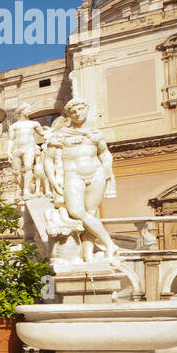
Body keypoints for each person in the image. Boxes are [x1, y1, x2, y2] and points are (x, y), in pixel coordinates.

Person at [43, 99, 117, 262]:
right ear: (69, 115)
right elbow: (47, 160)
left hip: (97, 174)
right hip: (73, 175)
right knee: (76, 211)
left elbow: (104, 154)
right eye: (73, 112)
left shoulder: (95, 134)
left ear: (87, 109)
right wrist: (52, 180)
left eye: (81, 109)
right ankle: (109, 243)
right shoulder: (61, 134)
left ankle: (88, 255)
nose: (78, 113)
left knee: (91, 213)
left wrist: (107, 168)